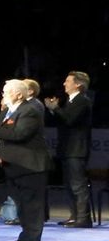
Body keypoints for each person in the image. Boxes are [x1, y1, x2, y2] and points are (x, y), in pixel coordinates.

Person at [0, 79, 53, 241]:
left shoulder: (30, 110)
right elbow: (0, 134)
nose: (3, 95)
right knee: (21, 204)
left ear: (19, 94)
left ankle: (32, 239)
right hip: (13, 165)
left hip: (30, 165)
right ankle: (25, 236)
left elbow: (20, 134)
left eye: (6, 91)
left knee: (31, 204)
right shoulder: (7, 111)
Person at [44, 71, 93, 228]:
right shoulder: (71, 101)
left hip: (76, 150)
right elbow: (63, 120)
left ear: (77, 84)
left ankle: (83, 218)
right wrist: (53, 110)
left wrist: (56, 108)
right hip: (67, 149)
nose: (64, 84)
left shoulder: (82, 101)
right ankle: (75, 215)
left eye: (68, 81)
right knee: (69, 184)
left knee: (78, 185)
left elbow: (70, 119)